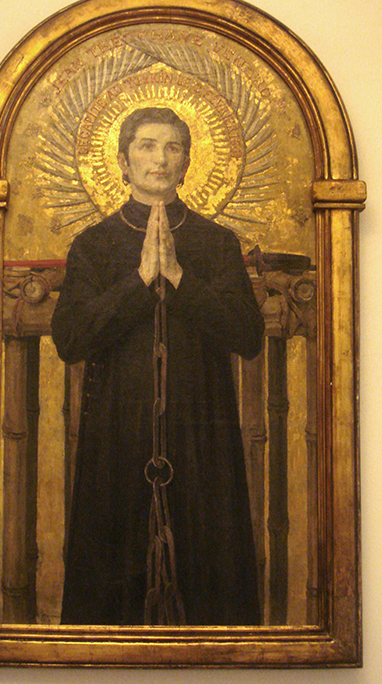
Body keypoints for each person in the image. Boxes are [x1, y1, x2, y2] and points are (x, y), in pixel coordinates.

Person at [51, 107, 264, 626]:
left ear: (187, 163)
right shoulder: (94, 244)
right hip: (117, 434)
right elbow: (70, 339)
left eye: (173, 148)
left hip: (202, 433)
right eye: (146, 146)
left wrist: (179, 277)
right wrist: (141, 280)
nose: (160, 159)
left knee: (210, 575)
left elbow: (247, 335)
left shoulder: (216, 242)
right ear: (123, 162)